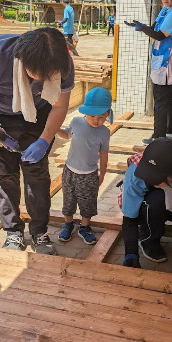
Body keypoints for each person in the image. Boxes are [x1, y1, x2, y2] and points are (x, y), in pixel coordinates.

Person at [0, 28, 75, 255]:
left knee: (37, 173)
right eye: (37, 74)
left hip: (38, 111)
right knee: (4, 174)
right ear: (21, 60)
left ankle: (39, 231)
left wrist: (44, 140)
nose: (43, 79)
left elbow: (59, 105)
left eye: (50, 74)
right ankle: (13, 231)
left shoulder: (63, 63)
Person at [119, 138, 172, 277]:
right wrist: (131, 254)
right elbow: (129, 218)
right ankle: (148, 240)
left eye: (156, 178)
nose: (151, 180)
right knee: (157, 200)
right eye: (149, 176)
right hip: (152, 206)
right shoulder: (135, 173)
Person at [126, 0, 172, 144]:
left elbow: (160, 35)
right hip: (162, 61)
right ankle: (169, 130)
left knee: (160, 99)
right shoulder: (166, 10)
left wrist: (143, 28)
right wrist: (142, 26)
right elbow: (154, 29)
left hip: (168, 63)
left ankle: (158, 137)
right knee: (167, 98)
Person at [56, 87, 111, 245]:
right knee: (69, 200)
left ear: (108, 113)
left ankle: (85, 227)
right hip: (69, 171)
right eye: (92, 115)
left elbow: (103, 154)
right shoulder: (76, 122)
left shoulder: (104, 133)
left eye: (101, 117)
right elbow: (67, 135)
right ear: (85, 112)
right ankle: (68, 224)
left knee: (87, 202)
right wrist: (54, 129)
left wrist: (102, 174)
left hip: (89, 174)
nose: (96, 120)